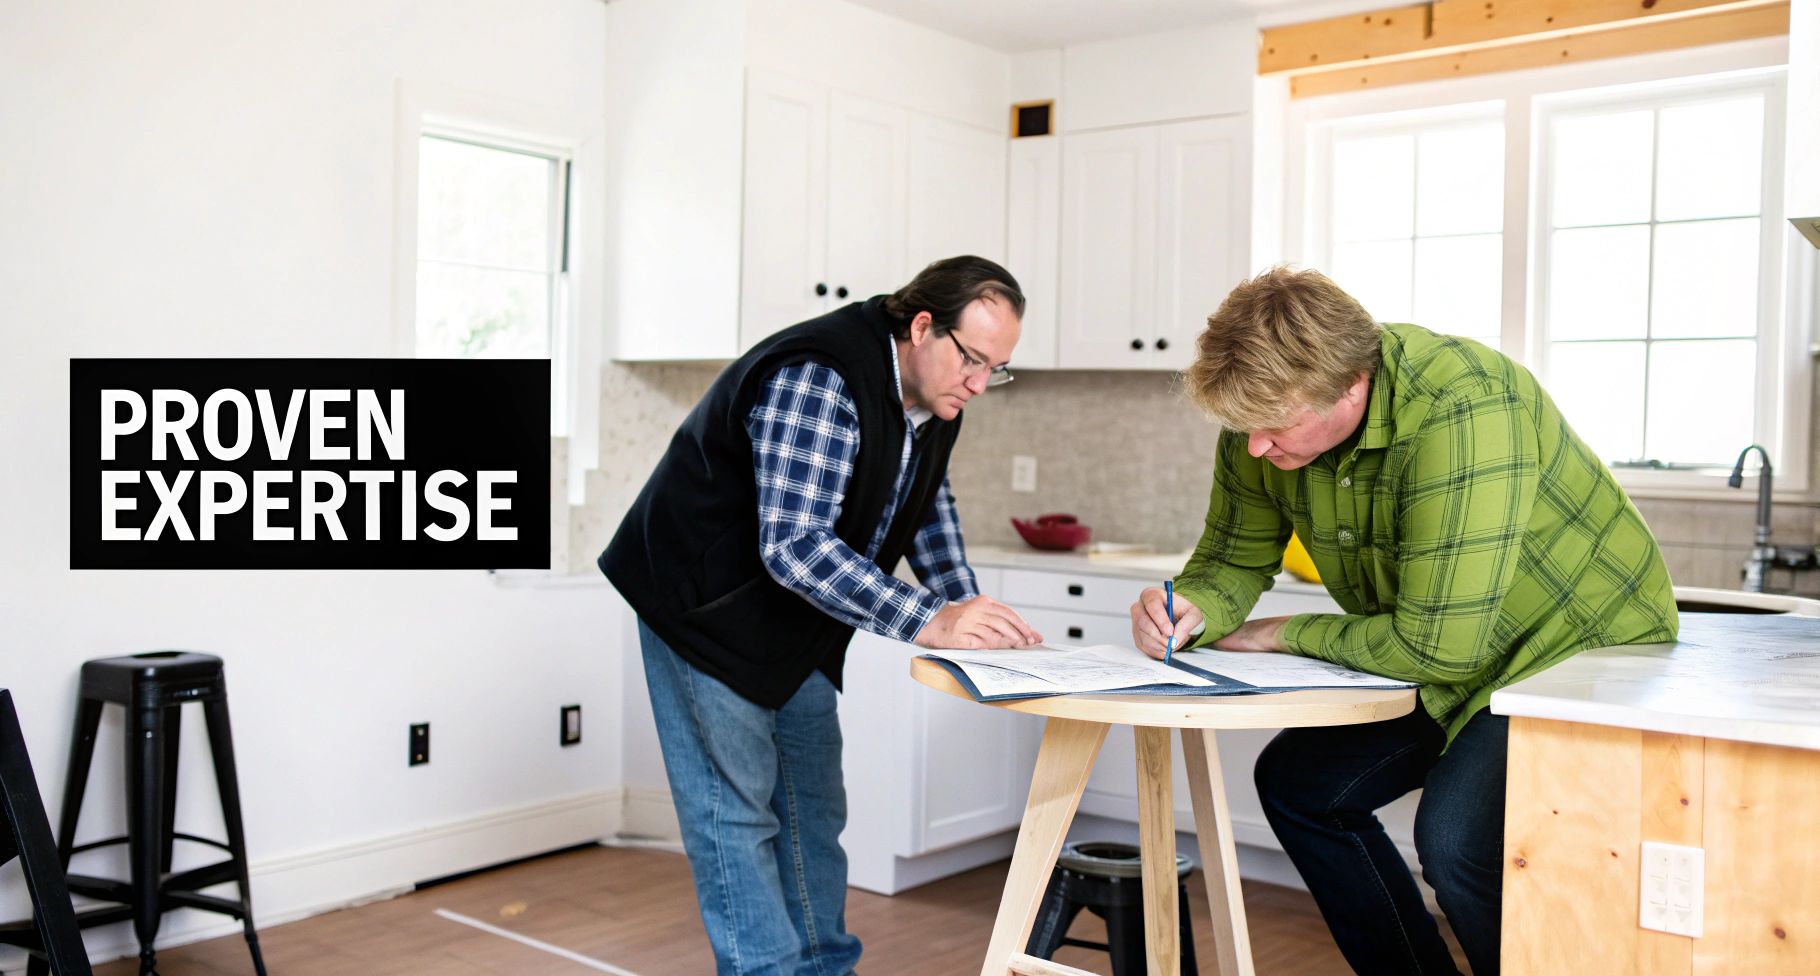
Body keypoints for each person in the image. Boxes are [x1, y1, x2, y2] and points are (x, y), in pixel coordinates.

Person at [1128, 266, 1677, 976]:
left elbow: (1436, 646)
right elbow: (1232, 558)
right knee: (1301, 787)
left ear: (1351, 384)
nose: (1256, 447)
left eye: (1273, 427)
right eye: (1243, 428)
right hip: (1444, 648)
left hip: (1578, 654)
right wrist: (1192, 607)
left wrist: (1279, 631)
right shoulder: (1263, 422)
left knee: (1458, 842)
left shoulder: (1466, 406)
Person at [600, 255, 1041, 976]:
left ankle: (826, 968)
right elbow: (797, 544)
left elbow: (926, 505)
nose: (980, 383)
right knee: (735, 818)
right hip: (701, 610)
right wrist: (931, 618)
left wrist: (966, 608)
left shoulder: (937, 396)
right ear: (922, 326)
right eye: (973, 359)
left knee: (812, 812)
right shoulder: (821, 375)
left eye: (998, 368)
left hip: (790, 618)